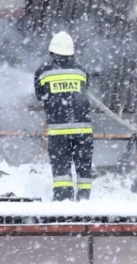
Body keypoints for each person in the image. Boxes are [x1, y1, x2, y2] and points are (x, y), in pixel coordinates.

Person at [33, 31, 94, 202]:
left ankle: (63, 200)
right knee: (84, 166)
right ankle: (84, 199)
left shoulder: (43, 72)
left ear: (52, 51)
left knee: (61, 166)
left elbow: (40, 95)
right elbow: (84, 91)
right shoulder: (81, 71)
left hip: (59, 131)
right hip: (83, 129)